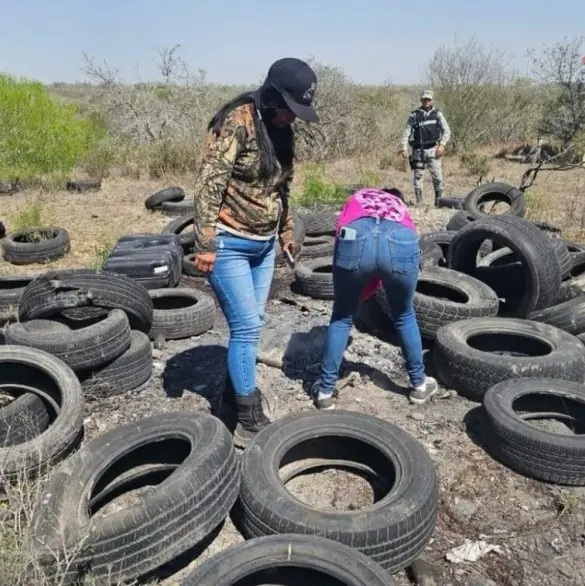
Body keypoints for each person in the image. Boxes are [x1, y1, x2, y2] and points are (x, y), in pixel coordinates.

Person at [191, 57, 320, 448]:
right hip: (229, 241)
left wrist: (285, 232)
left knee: (255, 321)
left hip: (263, 246)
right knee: (246, 327)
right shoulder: (238, 122)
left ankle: (231, 400)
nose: (291, 119)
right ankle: (248, 418)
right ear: (271, 97)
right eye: (288, 110)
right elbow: (209, 184)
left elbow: (282, 189)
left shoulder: (283, 133)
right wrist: (205, 242)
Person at [309, 186, 438, 410]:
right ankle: (419, 384)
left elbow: (341, 236)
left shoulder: (358, 197)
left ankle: (325, 392)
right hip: (401, 237)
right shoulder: (399, 207)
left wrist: (355, 294)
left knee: (342, 317)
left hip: (356, 234)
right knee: (404, 315)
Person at [400, 90, 451, 207]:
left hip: (434, 149)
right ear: (421, 100)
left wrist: (442, 145)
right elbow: (406, 133)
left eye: (428, 99)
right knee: (418, 177)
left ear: (431, 100)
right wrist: (404, 148)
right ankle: (419, 202)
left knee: (438, 177)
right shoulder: (414, 115)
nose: (426, 101)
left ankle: (438, 202)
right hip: (418, 151)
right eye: (424, 99)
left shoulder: (438, 114)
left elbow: (446, 131)